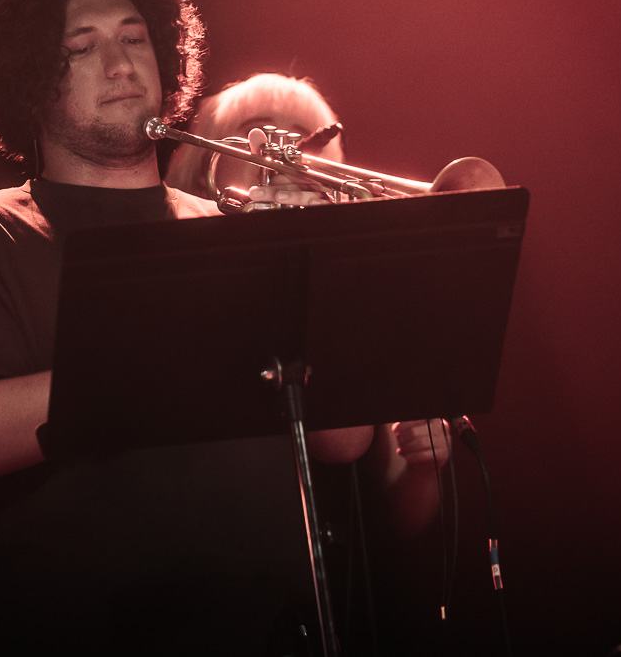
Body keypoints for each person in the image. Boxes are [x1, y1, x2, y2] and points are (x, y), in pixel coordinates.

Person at [0, 0, 371, 655]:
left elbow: (346, 439)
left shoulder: (231, 230)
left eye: (134, 38)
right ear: (29, 83)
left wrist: (313, 259)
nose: (120, 64)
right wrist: (161, 344)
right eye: (81, 48)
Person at [165, 74, 452, 540]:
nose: (285, 154)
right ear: (207, 162)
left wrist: (425, 467)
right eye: (259, 131)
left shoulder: (361, 296)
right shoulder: (173, 274)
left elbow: (399, 520)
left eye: (304, 139)